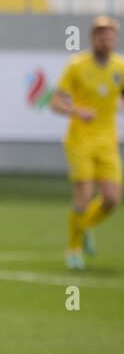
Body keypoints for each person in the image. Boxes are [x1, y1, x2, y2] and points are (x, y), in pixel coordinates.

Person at [50, 14, 124, 270]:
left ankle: (85, 226)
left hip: (107, 141)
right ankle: (73, 249)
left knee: (112, 199)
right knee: (84, 193)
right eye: (102, 35)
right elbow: (56, 102)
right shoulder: (77, 66)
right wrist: (77, 111)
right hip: (80, 139)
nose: (107, 40)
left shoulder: (120, 67)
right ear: (93, 38)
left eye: (111, 36)